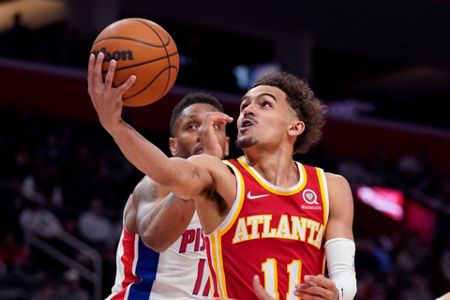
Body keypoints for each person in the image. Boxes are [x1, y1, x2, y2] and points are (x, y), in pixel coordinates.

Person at [88, 52, 357, 300]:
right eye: (243, 106)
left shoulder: (330, 187)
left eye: (265, 104)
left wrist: (337, 294)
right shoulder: (221, 177)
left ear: (296, 126)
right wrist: (116, 125)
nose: (248, 110)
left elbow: (345, 276)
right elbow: (167, 172)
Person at [105, 91, 231, 300]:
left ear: (225, 144)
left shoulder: (240, 195)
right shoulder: (154, 185)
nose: (204, 133)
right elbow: (156, 238)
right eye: (192, 126)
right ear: (173, 145)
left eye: (215, 126)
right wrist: (200, 173)